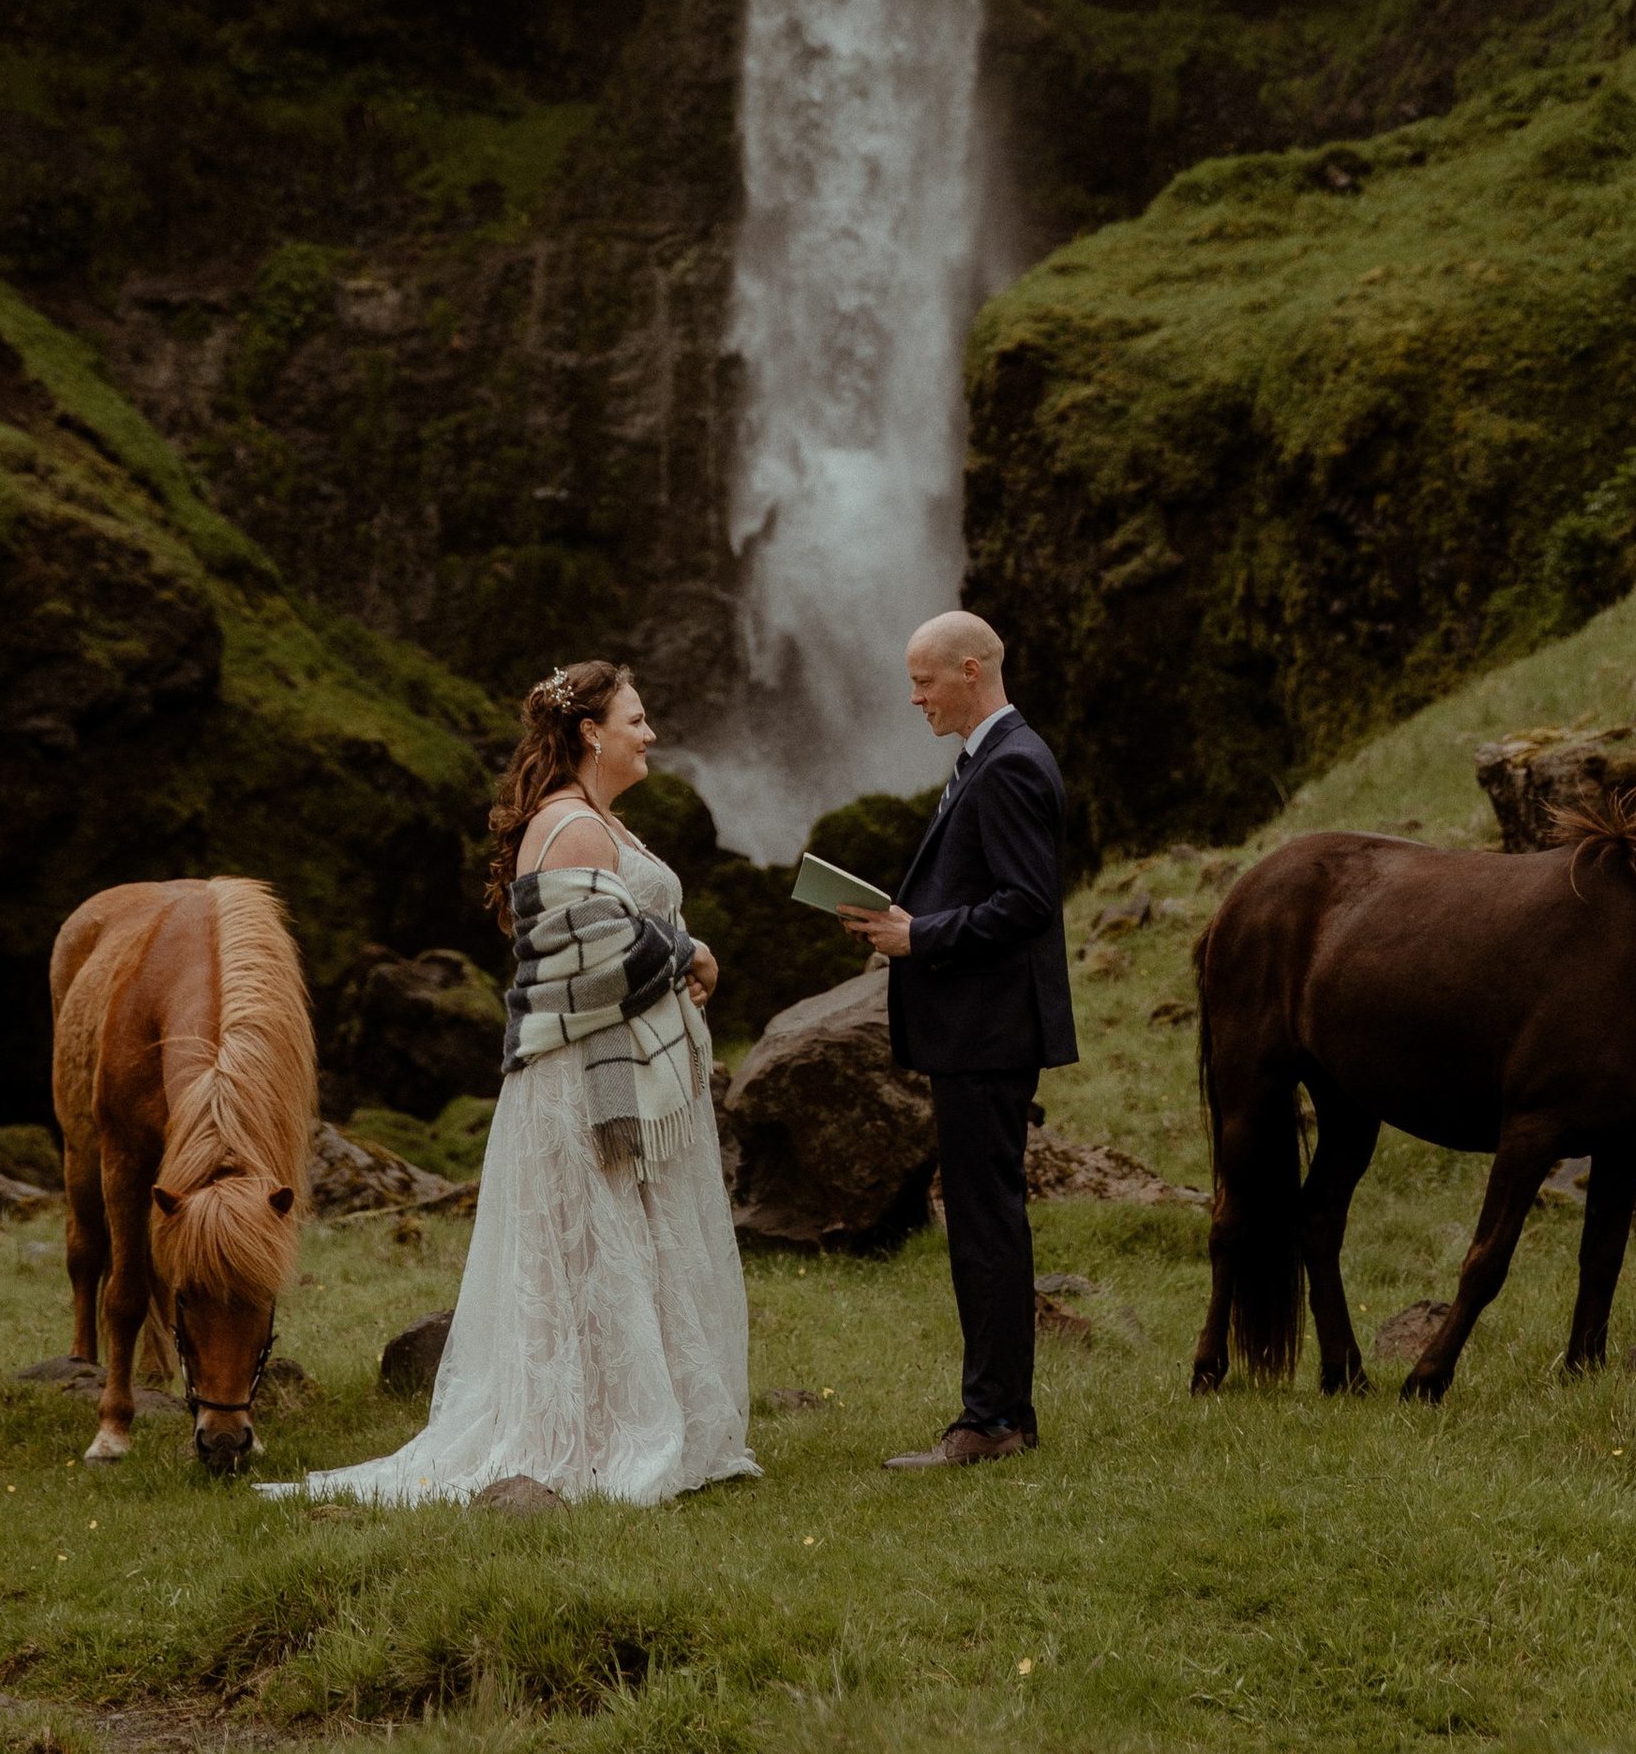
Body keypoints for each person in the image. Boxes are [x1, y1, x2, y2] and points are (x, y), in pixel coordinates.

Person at [268, 660, 757, 1509]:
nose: (652, 734)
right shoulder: (571, 827)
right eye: (636, 719)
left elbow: (610, 935)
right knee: (588, 1256)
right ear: (591, 733)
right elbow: (591, 961)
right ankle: (588, 1440)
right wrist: (693, 954)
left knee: (622, 1255)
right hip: (578, 1088)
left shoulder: (598, 819)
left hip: (614, 1082)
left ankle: (628, 1419)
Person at [840, 610, 1076, 1467]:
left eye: (924, 681)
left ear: (971, 672)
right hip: (978, 1031)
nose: (914, 698)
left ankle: (993, 1424)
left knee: (986, 1227)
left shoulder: (1010, 764)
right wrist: (905, 921)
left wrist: (921, 939)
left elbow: (1027, 903)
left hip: (987, 1033)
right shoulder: (995, 757)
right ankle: (1003, 1413)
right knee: (985, 1221)